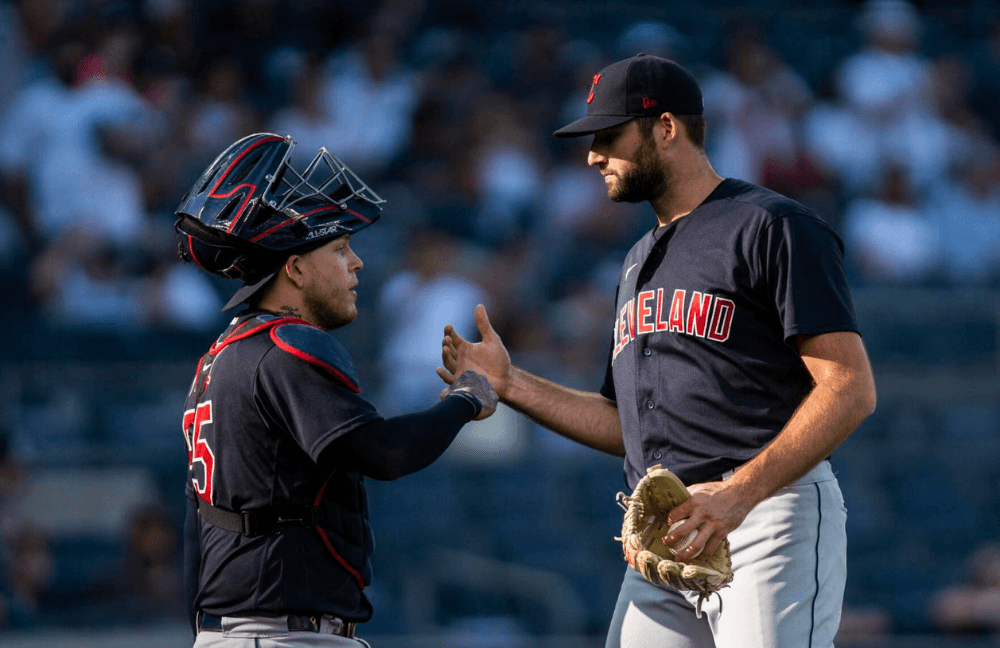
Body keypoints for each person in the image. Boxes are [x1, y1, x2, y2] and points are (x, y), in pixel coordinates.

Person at [439, 54, 877, 648]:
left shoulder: (771, 225)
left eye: (609, 136)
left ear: (666, 128)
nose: (594, 155)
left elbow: (850, 387)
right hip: (666, 530)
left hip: (765, 511)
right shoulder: (636, 260)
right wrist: (513, 385)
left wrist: (740, 493)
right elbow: (623, 424)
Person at [174, 132, 498, 647]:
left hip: (237, 632)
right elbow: (385, 454)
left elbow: (196, 528)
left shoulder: (221, 356)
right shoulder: (289, 345)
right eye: (340, 248)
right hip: (285, 635)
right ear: (296, 268)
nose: (357, 263)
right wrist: (468, 398)